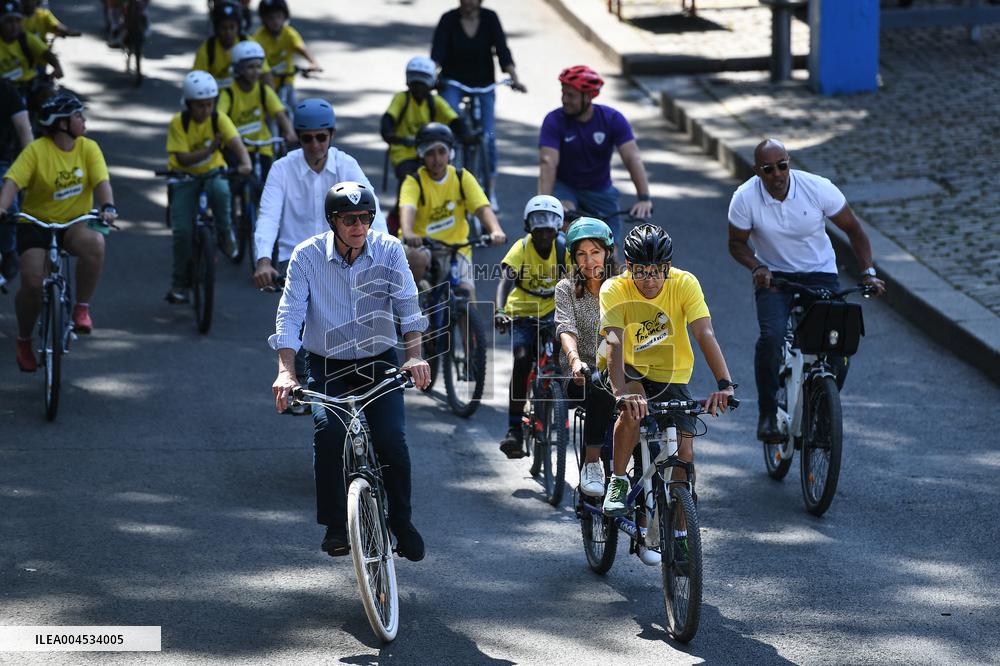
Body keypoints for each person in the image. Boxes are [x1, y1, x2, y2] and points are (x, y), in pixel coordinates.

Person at [269, 181, 431, 561]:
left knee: (392, 439)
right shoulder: (306, 256)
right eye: (348, 219)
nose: (358, 225)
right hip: (327, 365)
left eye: (365, 217)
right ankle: (336, 526)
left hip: (379, 361)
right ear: (332, 221)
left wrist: (414, 356)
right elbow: (289, 317)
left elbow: (408, 306)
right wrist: (286, 373)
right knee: (330, 435)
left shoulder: (389, 250)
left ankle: (402, 523)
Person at [727, 138, 885, 442]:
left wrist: (868, 272)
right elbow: (736, 243)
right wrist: (757, 267)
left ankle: (822, 409)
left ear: (789, 163)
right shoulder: (745, 197)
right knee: (772, 338)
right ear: (757, 171)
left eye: (782, 166)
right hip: (774, 278)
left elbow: (854, 230)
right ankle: (768, 414)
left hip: (820, 273)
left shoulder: (817, 188)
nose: (777, 174)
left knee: (838, 345)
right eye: (768, 169)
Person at [600, 224, 735, 563]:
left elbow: (705, 333)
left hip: (670, 375)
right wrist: (621, 392)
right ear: (629, 267)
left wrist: (725, 384)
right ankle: (618, 481)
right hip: (626, 368)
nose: (649, 280)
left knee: (684, 454)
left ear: (668, 266)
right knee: (631, 409)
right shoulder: (614, 288)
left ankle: (678, 531)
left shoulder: (685, 283)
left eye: (657, 271)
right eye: (641, 272)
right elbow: (613, 342)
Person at [253, 98, 387, 413]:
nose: (314, 145)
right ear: (298, 139)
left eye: (321, 137)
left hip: (347, 253)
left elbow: (372, 211)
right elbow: (268, 216)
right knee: (299, 319)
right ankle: (301, 385)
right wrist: (262, 259)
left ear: (331, 135)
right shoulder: (282, 169)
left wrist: (385, 252)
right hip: (296, 260)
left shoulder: (346, 165)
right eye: (307, 138)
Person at [0, 92, 117, 371]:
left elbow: (102, 182)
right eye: (78, 115)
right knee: (31, 283)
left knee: (96, 243)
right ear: (62, 123)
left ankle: (81, 308)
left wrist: (108, 207)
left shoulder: (88, 148)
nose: (84, 120)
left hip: (74, 223)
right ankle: (24, 339)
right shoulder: (36, 151)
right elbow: (13, 183)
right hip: (36, 224)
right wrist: (2, 208)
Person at [538, 65, 653, 246]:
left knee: (611, 255)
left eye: (571, 95)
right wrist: (543, 205)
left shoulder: (612, 119)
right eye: (563, 93)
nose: (564, 100)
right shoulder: (554, 120)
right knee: (568, 229)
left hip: (600, 192)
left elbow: (632, 158)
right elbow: (548, 162)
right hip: (566, 188)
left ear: (588, 96)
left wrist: (644, 199)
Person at [164, 70, 251, 303]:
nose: (205, 110)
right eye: (199, 106)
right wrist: (210, 150)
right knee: (182, 231)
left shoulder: (217, 118)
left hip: (212, 172)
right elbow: (183, 159)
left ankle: (225, 233)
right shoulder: (179, 123)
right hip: (184, 176)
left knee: (222, 192)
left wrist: (245, 162)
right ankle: (179, 284)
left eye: (209, 105)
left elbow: (234, 141)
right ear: (188, 104)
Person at [431, 0, 526, 211]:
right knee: (447, 126)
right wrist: (429, 76)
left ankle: (490, 191)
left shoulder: (490, 18)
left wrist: (514, 77)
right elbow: (437, 54)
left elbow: (503, 50)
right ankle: (443, 178)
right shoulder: (448, 20)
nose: (468, 2)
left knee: (489, 136)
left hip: (484, 84)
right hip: (453, 82)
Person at [494, 195, 570, 458]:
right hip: (522, 314)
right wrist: (500, 310)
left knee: (565, 356)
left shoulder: (563, 250)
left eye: (551, 227)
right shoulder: (521, 248)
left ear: (558, 227)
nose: (545, 233)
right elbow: (505, 282)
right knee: (523, 359)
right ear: (529, 227)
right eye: (539, 226)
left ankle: (558, 406)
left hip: (553, 313)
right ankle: (514, 429)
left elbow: (578, 282)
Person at [398, 122, 505, 298]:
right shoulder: (413, 181)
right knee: (416, 259)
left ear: (451, 152)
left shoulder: (461, 177)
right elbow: (407, 208)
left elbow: (481, 208)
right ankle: (409, 306)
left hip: (456, 249)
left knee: (467, 294)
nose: (437, 159)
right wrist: (409, 232)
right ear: (421, 155)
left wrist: (495, 230)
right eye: (430, 153)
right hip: (423, 247)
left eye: (442, 152)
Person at [555, 216, 619, 497]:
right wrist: (574, 361)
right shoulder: (565, 289)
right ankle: (592, 463)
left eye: (595, 251)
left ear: (607, 253)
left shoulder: (622, 286)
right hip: (579, 374)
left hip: (620, 368)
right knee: (598, 383)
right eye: (581, 254)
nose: (589, 260)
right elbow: (565, 328)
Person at [217, 39, 295, 180]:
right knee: (235, 184)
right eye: (250, 67)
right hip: (237, 149)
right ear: (238, 69)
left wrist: (289, 131)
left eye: (259, 67)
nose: (256, 72)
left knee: (269, 184)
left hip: (262, 147)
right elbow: (219, 118)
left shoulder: (263, 91)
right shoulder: (228, 94)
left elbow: (279, 113)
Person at [381, 57, 463, 188]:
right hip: (404, 153)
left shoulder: (435, 102)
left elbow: (454, 120)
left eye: (423, 83)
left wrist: (465, 133)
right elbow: (388, 120)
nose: (419, 87)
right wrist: (390, 135)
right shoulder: (401, 99)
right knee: (409, 181)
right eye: (415, 82)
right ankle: (401, 207)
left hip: (429, 152)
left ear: (430, 84)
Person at [253, 0, 321, 110]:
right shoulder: (258, 38)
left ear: (285, 17)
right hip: (268, 85)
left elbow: (300, 47)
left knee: (294, 108)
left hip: (287, 81)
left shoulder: (289, 33)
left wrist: (313, 62)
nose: (275, 21)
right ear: (264, 19)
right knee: (271, 114)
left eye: (279, 17)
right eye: (271, 18)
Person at [193, 0, 270, 90]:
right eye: (223, 28)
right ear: (216, 29)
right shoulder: (207, 49)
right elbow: (197, 81)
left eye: (232, 27)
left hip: (245, 99)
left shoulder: (248, 43)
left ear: (239, 28)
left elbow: (265, 74)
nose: (228, 32)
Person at [0, 77, 31, 289]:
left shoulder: (6, 90)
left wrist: (31, 165)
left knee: (8, 205)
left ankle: (8, 250)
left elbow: (24, 129)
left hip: (0, 159)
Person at [0, 0, 62, 97]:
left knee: (52, 98)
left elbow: (45, 53)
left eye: (17, 21)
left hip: (29, 85)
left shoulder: (25, 38)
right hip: (5, 90)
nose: (14, 26)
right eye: (9, 22)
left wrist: (57, 67)